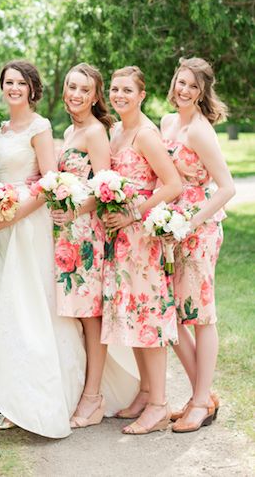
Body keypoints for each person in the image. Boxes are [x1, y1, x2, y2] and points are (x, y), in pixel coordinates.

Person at [0, 60, 86, 437]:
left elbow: (49, 182)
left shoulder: (41, 127)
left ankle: (33, 399)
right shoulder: (2, 128)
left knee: (26, 311)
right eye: (8, 82)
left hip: (26, 226)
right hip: (3, 227)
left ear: (32, 89)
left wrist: (11, 216)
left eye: (20, 83)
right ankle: (6, 393)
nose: (13, 88)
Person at [51, 63, 138, 428]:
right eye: (72, 87)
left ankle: (93, 398)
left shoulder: (95, 132)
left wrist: (73, 211)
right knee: (77, 315)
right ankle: (81, 390)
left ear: (95, 96)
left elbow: (104, 188)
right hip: (65, 235)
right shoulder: (70, 129)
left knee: (90, 318)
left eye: (84, 90)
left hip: (86, 233)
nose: (76, 94)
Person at [101, 65, 182, 435]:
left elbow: (172, 184)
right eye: (115, 89)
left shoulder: (146, 134)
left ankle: (160, 404)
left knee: (148, 318)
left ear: (141, 95)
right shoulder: (118, 131)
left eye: (127, 90)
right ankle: (146, 391)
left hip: (142, 240)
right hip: (121, 241)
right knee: (131, 315)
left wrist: (133, 214)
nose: (119, 95)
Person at [160, 57, 234, 433]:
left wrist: (190, 222)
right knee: (171, 314)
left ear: (202, 92)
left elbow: (227, 187)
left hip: (199, 230)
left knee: (201, 315)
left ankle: (201, 401)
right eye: (180, 82)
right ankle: (200, 395)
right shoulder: (167, 123)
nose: (183, 90)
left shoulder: (200, 131)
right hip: (170, 230)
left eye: (192, 85)